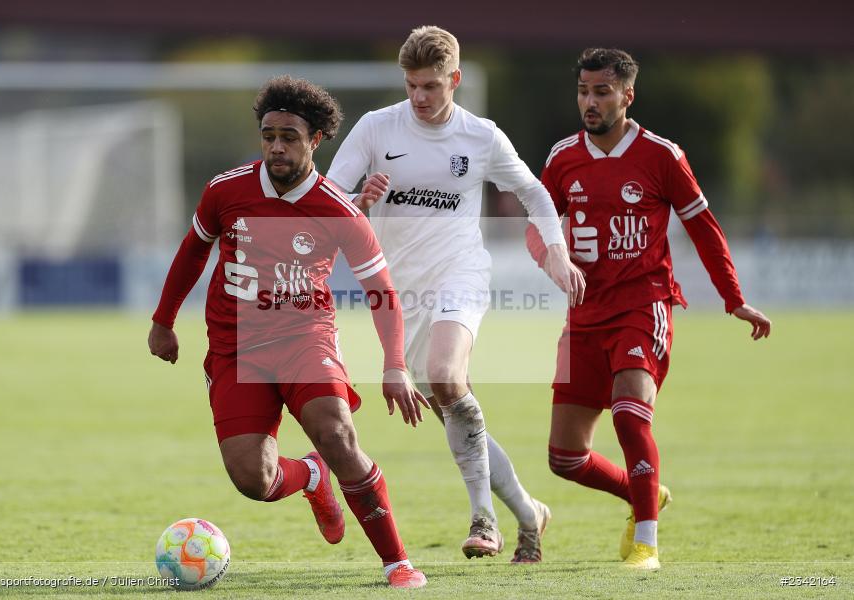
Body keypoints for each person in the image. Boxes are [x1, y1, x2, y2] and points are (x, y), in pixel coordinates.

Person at [148, 75, 430, 589]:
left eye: (290, 137)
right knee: (253, 481)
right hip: (236, 352)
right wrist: (163, 321)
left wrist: (395, 365)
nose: (277, 146)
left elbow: (382, 291)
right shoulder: (225, 191)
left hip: (306, 341)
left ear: (316, 139)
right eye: (269, 135)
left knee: (338, 435)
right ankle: (312, 476)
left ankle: (398, 562)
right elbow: (193, 250)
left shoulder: (338, 209)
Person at [327, 26, 585, 563]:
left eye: (432, 86)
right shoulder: (377, 129)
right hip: (401, 296)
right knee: (451, 403)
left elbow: (533, 190)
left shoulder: (480, 136)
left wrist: (556, 250)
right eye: (412, 85)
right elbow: (329, 199)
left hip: (461, 273)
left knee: (446, 376)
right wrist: (358, 197)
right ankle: (528, 511)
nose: (420, 97)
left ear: (456, 80)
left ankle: (482, 519)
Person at [526, 48, 772, 570]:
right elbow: (536, 227)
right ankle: (646, 494)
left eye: (602, 92)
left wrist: (734, 298)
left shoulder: (662, 156)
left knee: (630, 415)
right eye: (583, 91)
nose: (589, 102)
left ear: (627, 95)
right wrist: (551, 259)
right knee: (564, 458)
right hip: (583, 317)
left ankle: (646, 543)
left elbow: (704, 229)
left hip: (644, 304)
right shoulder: (562, 157)